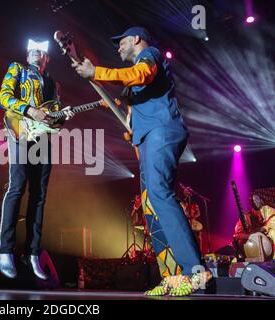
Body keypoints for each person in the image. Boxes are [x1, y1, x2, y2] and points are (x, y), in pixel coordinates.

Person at [73, 27, 210, 295]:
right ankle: (172, 277)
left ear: (136, 39)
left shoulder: (150, 55)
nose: (118, 48)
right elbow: (129, 104)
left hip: (163, 131)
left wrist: (97, 72)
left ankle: (196, 270)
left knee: (159, 194)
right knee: (150, 205)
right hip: (147, 138)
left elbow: (141, 75)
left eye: (121, 42)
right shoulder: (134, 82)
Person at [0, 38, 74, 279]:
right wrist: (30, 111)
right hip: (20, 130)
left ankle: (32, 253)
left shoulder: (54, 83)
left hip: (42, 139)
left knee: (39, 196)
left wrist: (63, 116)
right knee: (17, 188)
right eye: (31, 50)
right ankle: (5, 251)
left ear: (47, 57)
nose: (34, 53)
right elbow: (3, 96)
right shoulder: (16, 69)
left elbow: (54, 119)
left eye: (39, 50)